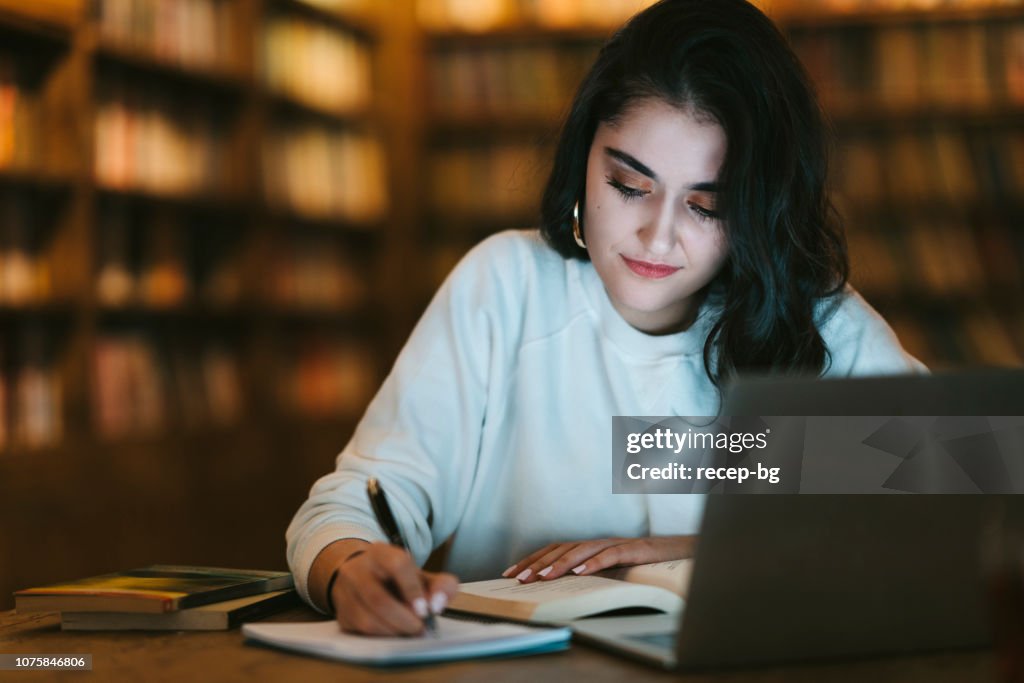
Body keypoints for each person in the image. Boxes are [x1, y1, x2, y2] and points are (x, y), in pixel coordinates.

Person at [287, 0, 925, 636]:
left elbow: (970, 471)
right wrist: (351, 569)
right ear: (584, 155)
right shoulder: (508, 287)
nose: (657, 236)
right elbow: (355, 503)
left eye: (706, 206)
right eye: (628, 185)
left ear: (758, 211)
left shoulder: (812, 319)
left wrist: (687, 549)